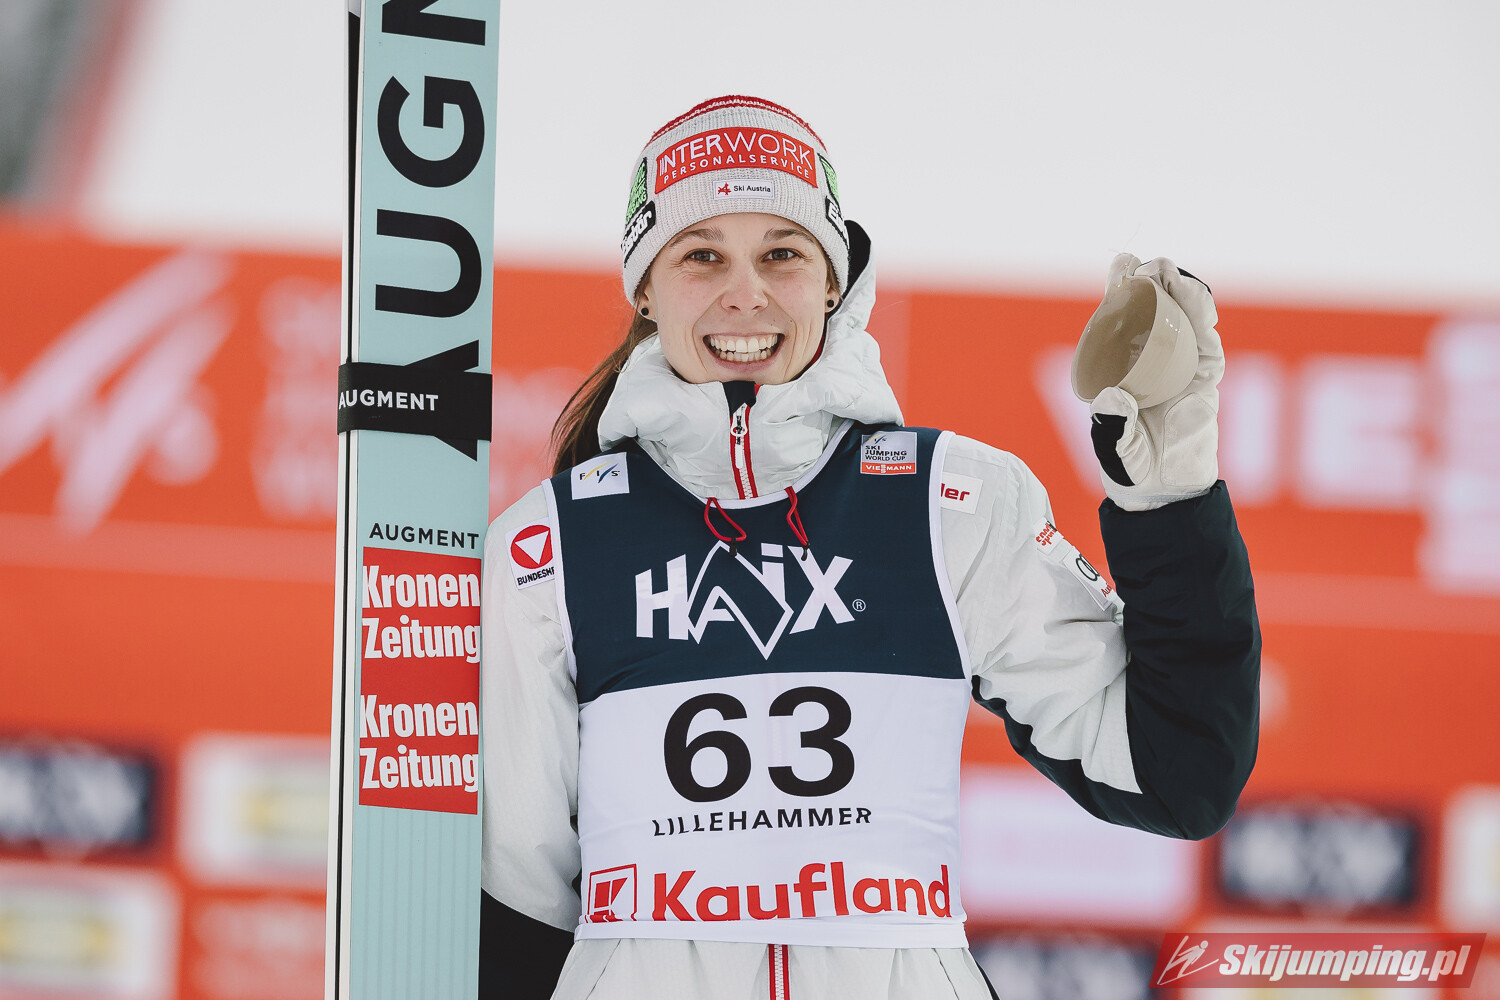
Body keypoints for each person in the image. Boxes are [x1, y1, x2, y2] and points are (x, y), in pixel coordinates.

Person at [477, 95, 1259, 1000]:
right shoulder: (548, 546)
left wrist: (1171, 502)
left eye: (783, 253)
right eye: (702, 255)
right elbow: (519, 904)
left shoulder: (952, 503)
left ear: (833, 280)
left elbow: (1179, 770)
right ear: (644, 288)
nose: (746, 293)